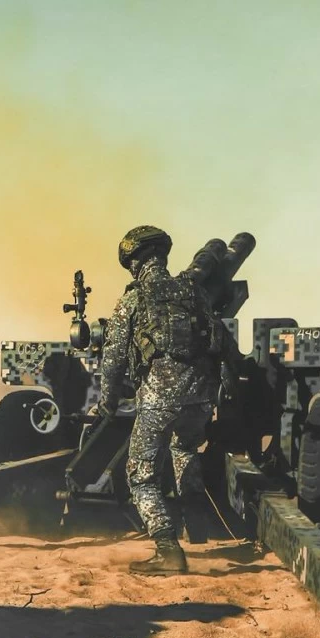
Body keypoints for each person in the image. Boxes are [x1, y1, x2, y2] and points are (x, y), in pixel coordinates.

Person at [99, 225, 234, 576]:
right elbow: (220, 338)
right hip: (200, 399)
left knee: (141, 476)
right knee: (184, 450)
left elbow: (112, 358)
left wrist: (107, 402)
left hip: (159, 400)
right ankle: (198, 529)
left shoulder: (133, 298)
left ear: (133, 261)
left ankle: (167, 550)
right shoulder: (195, 291)